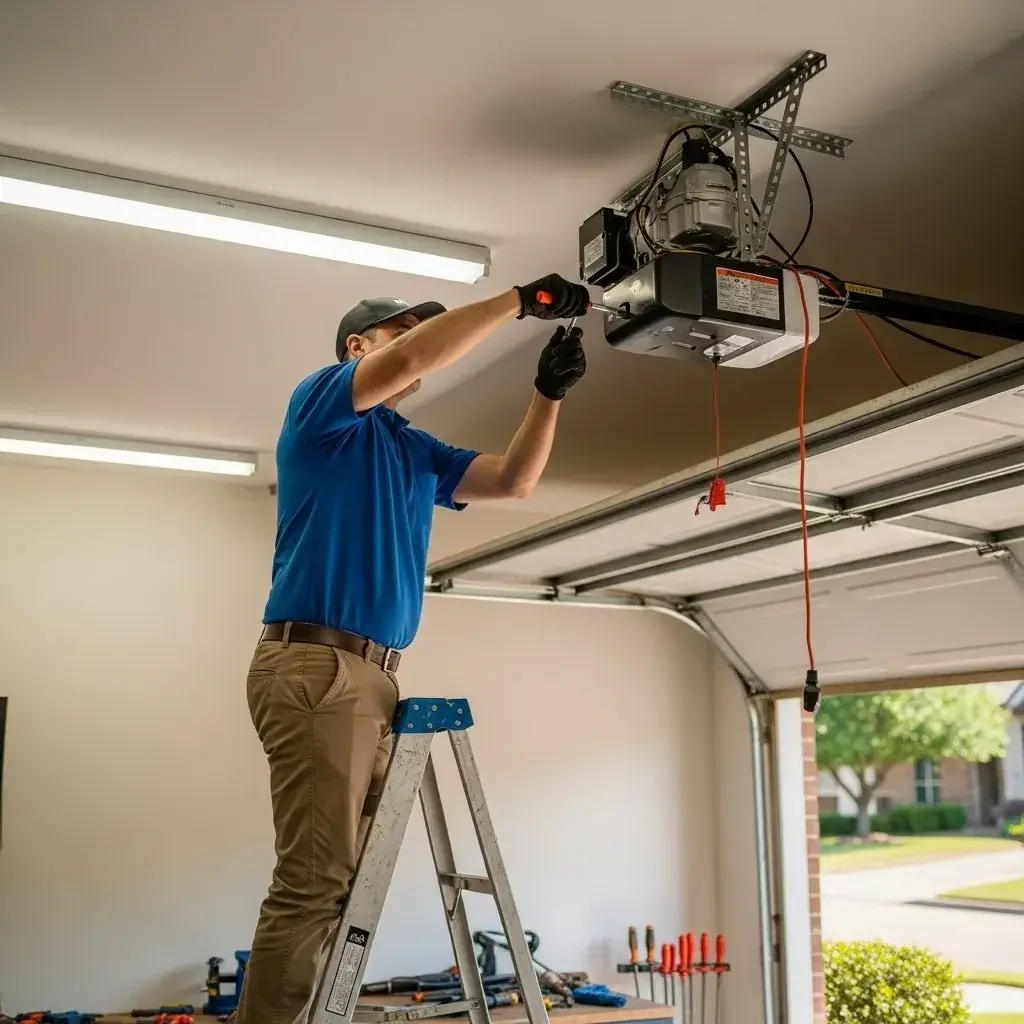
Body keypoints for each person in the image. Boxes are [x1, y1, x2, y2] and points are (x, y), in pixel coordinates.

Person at [236, 273, 591, 1024]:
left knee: (343, 887)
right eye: (400, 331)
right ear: (355, 347)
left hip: (370, 677)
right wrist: (518, 301)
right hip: (319, 667)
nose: (414, 349)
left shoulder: (409, 448)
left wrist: (547, 395)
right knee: (313, 883)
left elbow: (514, 480)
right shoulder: (322, 404)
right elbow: (405, 363)